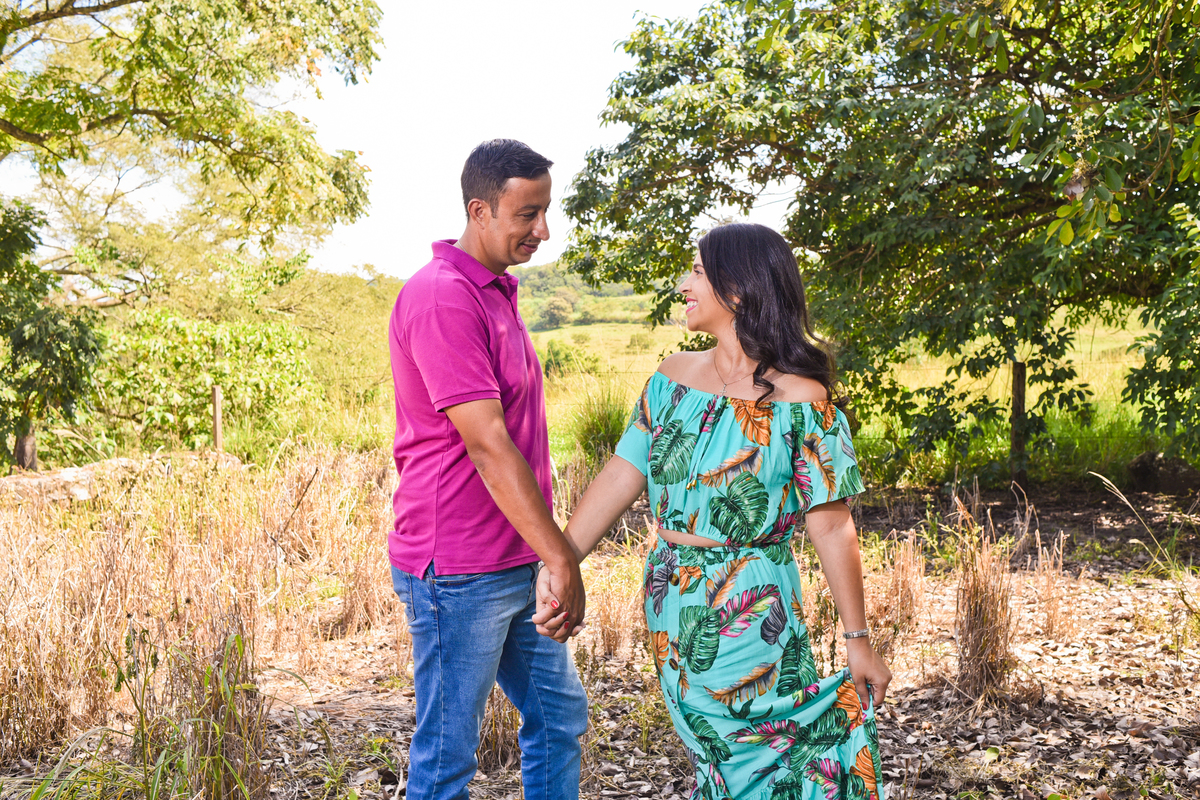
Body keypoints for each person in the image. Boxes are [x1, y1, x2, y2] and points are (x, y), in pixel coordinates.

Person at [534, 222, 891, 800]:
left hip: (748, 597)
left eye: (697, 271)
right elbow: (622, 475)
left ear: (740, 289)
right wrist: (560, 560)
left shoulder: (802, 399)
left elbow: (830, 524)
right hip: (668, 592)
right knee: (715, 753)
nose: (683, 284)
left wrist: (857, 638)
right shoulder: (671, 378)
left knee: (749, 753)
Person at [388, 139, 589, 800]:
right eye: (526, 214)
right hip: (459, 570)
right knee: (448, 757)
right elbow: (489, 445)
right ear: (479, 210)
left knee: (558, 717)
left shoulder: (495, 289)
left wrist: (540, 553)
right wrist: (562, 557)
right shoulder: (444, 297)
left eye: (545, 212)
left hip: (508, 557)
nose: (542, 229)